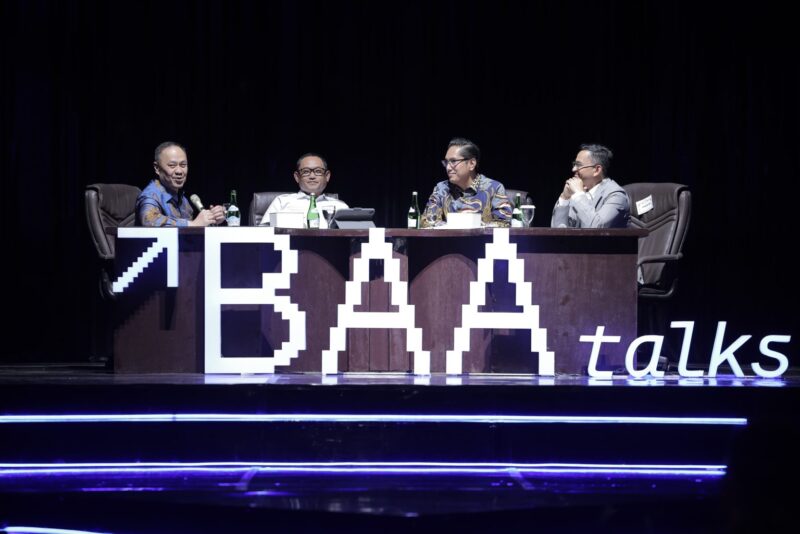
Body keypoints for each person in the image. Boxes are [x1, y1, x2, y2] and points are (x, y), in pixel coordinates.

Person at [421, 137, 512, 228]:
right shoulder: (442, 189)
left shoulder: (494, 188)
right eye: (446, 162)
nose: (448, 167)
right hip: (450, 241)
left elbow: (504, 222)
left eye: (453, 161)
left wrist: (473, 226)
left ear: (472, 164)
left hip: (482, 241)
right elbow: (427, 222)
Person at [136, 141, 225, 227]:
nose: (179, 171)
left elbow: (189, 234)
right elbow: (149, 221)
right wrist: (192, 224)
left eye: (183, 165)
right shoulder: (150, 195)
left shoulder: (182, 199)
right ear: (157, 168)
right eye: (172, 165)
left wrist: (212, 219)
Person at [550, 144, 630, 228]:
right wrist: (564, 198)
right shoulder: (577, 193)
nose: (573, 169)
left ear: (597, 170)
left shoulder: (617, 195)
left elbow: (597, 228)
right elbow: (558, 232)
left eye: (579, 165)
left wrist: (579, 195)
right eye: (574, 164)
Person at [260, 153, 349, 225]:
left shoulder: (340, 207)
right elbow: (264, 233)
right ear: (297, 177)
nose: (312, 176)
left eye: (318, 171)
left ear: (327, 176)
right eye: (306, 172)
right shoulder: (282, 202)